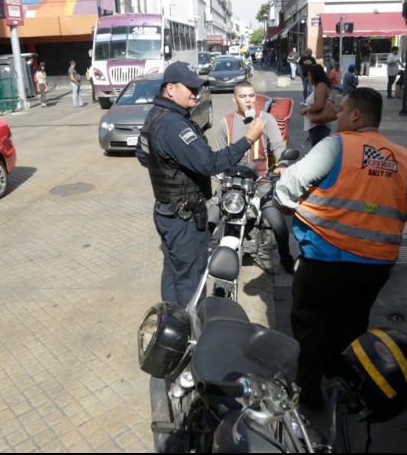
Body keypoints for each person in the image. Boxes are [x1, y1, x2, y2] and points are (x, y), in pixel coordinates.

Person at [274, 87, 407, 408]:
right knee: (351, 324)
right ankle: (342, 382)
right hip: (375, 266)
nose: (338, 116)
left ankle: (310, 391)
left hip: (324, 259)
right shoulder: (402, 156)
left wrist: (289, 205)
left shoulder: (336, 145)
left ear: (356, 115)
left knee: (310, 324)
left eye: (341, 110)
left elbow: (286, 187)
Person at [135, 62, 264, 307]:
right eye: (190, 89)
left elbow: (143, 155)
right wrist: (248, 140)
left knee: (173, 271)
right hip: (184, 217)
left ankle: (171, 320)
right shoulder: (173, 124)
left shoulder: (155, 114)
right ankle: (193, 326)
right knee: (191, 279)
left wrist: (170, 166)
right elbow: (209, 164)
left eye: (197, 88)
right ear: (170, 89)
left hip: (166, 210)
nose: (196, 93)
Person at [213, 81, 295, 274]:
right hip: (233, 183)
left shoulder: (266, 119)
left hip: (261, 182)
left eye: (251, 96)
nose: (248, 100)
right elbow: (219, 157)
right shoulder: (225, 123)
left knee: (279, 226)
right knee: (210, 218)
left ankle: (286, 258)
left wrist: (282, 165)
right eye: (243, 96)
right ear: (234, 99)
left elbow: (279, 147)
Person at [300, 64, 335, 147]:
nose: (308, 77)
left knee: (318, 151)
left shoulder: (321, 86)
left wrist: (306, 110)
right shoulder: (318, 86)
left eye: (309, 75)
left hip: (319, 127)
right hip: (317, 127)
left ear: (314, 75)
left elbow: (319, 105)